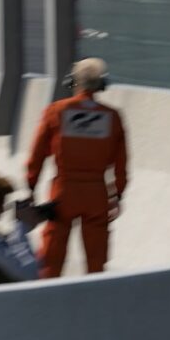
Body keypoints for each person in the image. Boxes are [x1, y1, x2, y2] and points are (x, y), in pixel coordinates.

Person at [25, 58, 128, 278]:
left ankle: (47, 297)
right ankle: (94, 301)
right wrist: (117, 194)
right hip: (97, 194)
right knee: (96, 260)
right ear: (101, 85)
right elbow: (121, 164)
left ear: (74, 82)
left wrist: (31, 186)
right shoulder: (113, 117)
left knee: (52, 257)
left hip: (63, 192)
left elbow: (36, 155)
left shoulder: (56, 111)